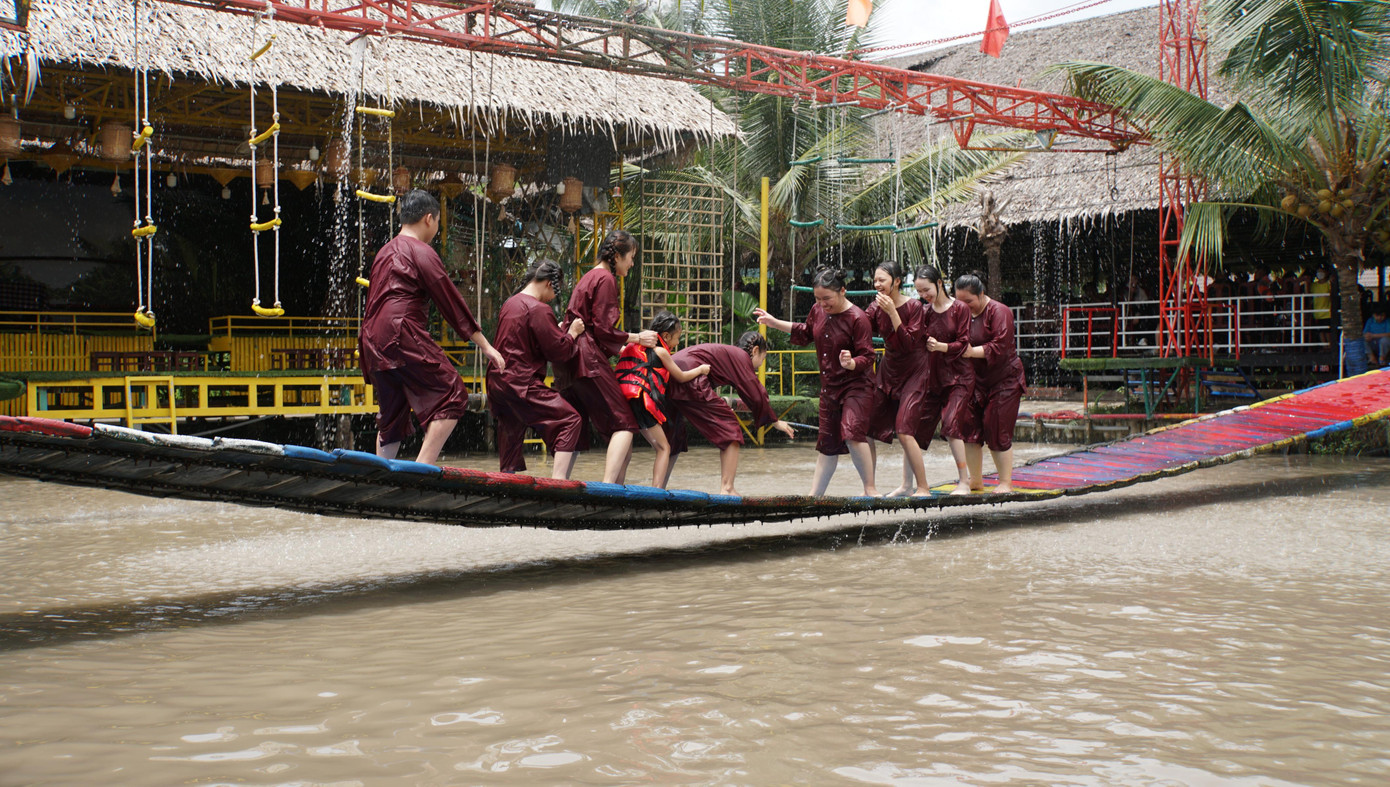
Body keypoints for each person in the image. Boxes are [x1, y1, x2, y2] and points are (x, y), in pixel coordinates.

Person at [358, 189, 504, 466]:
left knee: (392, 414)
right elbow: (450, 301)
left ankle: (381, 480)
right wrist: (486, 345)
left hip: (372, 339)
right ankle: (421, 469)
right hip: (400, 331)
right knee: (453, 393)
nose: (436, 229)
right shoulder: (420, 251)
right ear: (429, 219)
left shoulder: (384, 252)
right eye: (437, 223)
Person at [755, 268, 878, 497]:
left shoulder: (858, 318)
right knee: (827, 442)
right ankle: (815, 495)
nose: (822, 304)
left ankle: (870, 489)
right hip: (830, 386)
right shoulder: (817, 310)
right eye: (818, 299)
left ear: (842, 291)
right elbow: (806, 332)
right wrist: (773, 323)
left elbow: (868, 356)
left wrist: (852, 363)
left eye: (827, 299)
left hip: (856, 386)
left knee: (852, 434)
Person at [556, 229, 659, 484]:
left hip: (568, 363)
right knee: (625, 425)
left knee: (575, 423)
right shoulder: (605, 279)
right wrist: (637, 338)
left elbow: (592, 327)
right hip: (587, 360)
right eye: (631, 257)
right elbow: (604, 329)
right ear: (617, 256)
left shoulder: (588, 277)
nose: (632, 263)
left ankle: (558, 483)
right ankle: (608, 489)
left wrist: (619, 346)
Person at [486, 260, 587, 479]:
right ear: (550, 284)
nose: (552, 299)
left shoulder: (510, 303)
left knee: (511, 432)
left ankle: (508, 483)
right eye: (555, 292)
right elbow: (558, 351)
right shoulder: (539, 309)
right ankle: (558, 483)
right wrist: (572, 333)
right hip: (521, 383)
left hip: (498, 382)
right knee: (570, 420)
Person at [662, 331, 796, 495]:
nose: (761, 364)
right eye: (763, 357)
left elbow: (745, 392)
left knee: (673, 437)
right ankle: (727, 488)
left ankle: (658, 489)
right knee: (730, 429)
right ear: (754, 351)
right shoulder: (741, 357)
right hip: (689, 377)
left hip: (668, 377)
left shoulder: (729, 355)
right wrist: (775, 421)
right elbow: (755, 392)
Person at [614, 311, 712, 488]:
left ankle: (615, 487)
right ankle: (657, 491)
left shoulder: (631, 347)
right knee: (664, 447)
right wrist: (701, 370)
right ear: (665, 336)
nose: (678, 342)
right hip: (641, 401)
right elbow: (681, 376)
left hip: (622, 400)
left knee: (625, 451)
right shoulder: (661, 352)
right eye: (677, 337)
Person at [863, 261, 932, 497]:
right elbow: (860, 327)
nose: (877, 284)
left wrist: (892, 312)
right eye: (875, 280)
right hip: (889, 369)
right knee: (866, 427)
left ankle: (921, 487)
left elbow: (909, 343)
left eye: (882, 280)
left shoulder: (914, 307)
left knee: (905, 430)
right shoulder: (874, 307)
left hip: (915, 371)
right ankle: (870, 488)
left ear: (897, 282)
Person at [956, 272, 1026, 494]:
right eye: (960, 302)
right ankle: (975, 480)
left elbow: (1000, 346)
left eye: (969, 301)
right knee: (968, 428)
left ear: (982, 294)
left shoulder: (999, 311)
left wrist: (970, 352)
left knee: (996, 427)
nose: (965, 307)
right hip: (975, 380)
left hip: (1005, 379)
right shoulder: (961, 314)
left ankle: (1005, 482)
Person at [916, 265, 976, 495]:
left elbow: (964, 343)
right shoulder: (924, 312)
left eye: (926, 290)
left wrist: (942, 347)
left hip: (959, 377)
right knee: (911, 428)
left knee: (951, 425)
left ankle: (964, 481)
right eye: (920, 292)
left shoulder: (960, 308)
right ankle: (909, 484)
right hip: (933, 378)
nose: (924, 295)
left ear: (939, 283)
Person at [1365, 302, 1390, 367]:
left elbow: (1388, 334)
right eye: (1377, 315)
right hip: (1372, 343)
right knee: (1362, 340)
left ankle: (1382, 358)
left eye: (1382, 315)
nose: (1379, 318)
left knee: (1385, 340)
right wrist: (1367, 336)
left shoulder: (1387, 321)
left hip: (1384, 345)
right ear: (1373, 315)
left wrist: (1373, 336)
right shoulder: (1370, 321)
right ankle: (1371, 358)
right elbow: (1365, 333)